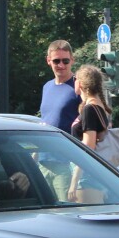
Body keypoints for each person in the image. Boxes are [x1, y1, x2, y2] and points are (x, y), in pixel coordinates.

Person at [37, 39, 80, 196]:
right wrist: (33, 160)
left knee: (66, 213)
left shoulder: (79, 86)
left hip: (66, 162)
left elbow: (92, 122)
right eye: (56, 61)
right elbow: (44, 122)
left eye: (65, 60)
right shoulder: (47, 86)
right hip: (43, 161)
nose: (61, 65)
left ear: (72, 60)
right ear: (49, 61)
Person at [67, 65, 113, 201]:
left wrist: (74, 181)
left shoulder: (89, 109)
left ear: (80, 83)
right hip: (91, 172)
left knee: (87, 217)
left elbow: (87, 147)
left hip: (86, 174)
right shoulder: (98, 105)